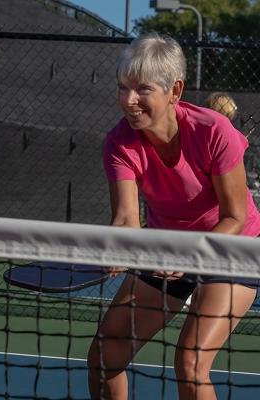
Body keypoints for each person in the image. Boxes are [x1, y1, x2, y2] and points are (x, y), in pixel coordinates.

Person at [87, 32, 260, 400]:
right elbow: (126, 220)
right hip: (165, 248)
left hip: (233, 248)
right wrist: (121, 248)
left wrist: (189, 256)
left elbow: (234, 216)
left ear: (174, 90)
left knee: (191, 361)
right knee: (105, 355)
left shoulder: (214, 131)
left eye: (142, 89)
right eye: (122, 88)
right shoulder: (119, 142)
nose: (129, 100)